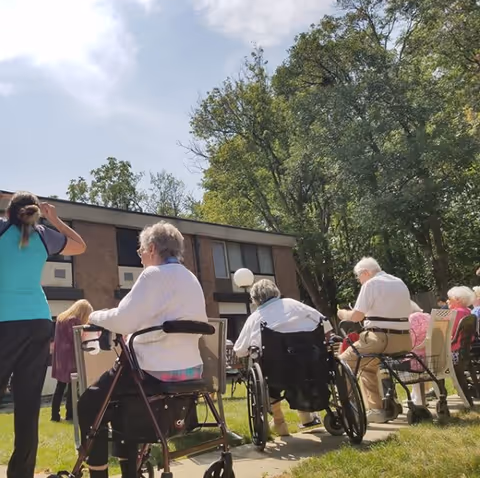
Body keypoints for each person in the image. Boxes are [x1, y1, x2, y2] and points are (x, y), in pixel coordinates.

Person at [77, 221, 208, 478]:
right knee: (123, 404)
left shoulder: (153, 275)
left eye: (139, 253)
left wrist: (94, 317)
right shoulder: (191, 278)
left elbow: (124, 320)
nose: (140, 259)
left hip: (153, 371)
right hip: (191, 370)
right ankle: (129, 471)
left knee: (90, 403)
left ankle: (99, 474)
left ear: (151, 248)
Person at [0, 191, 86, 478]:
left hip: (4, 323)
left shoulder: (2, 229)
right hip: (38, 321)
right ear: (36, 211)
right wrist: (55, 218)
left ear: (9, 211)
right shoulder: (44, 234)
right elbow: (80, 246)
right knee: (28, 405)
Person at [234, 279, 333, 436]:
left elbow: (239, 350)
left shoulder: (255, 318)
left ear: (255, 299)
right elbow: (326, 326)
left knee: (269, 379)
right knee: (301, 365)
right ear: (276, 292)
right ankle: (309, 416)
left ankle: (280, 424)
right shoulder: (296, 305)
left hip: (277, 372)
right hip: (312, 366)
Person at [337, 257, 412, 424]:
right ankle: (375, 409)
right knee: (369, 367)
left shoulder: (370, 284)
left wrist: (343, 314)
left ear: (365, 272)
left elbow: (356, 316)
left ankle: (349, 412)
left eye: (359, 277)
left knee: (341, 365)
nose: (359, 281)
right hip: (404, 339)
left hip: (379, 339)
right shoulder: (399, 282)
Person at [51, 299, 93, 422]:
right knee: (72, 386)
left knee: (60, 386)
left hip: (60, 357)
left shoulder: (61, 318)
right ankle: (70, 413)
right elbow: (75, 339)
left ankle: (55, 415)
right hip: (70, 356)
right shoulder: (73, 321)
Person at [447, 286, 475, 365]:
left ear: (457, 299)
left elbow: (448, 332)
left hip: (454, 350)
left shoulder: (455, 313)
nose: (447, 301)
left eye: (449, 299)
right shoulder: (469, 312)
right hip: (466, 348)